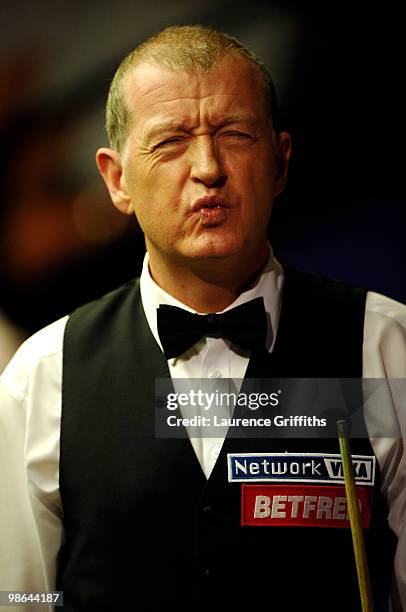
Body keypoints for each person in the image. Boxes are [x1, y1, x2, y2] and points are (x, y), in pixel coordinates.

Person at [0, 25, 405, 612]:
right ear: (116, 180)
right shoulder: (42, 375)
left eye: (236, 135)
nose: (208, 168)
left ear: (281, 162)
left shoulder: (385, 346)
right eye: (170, 143)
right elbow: (19, 597)